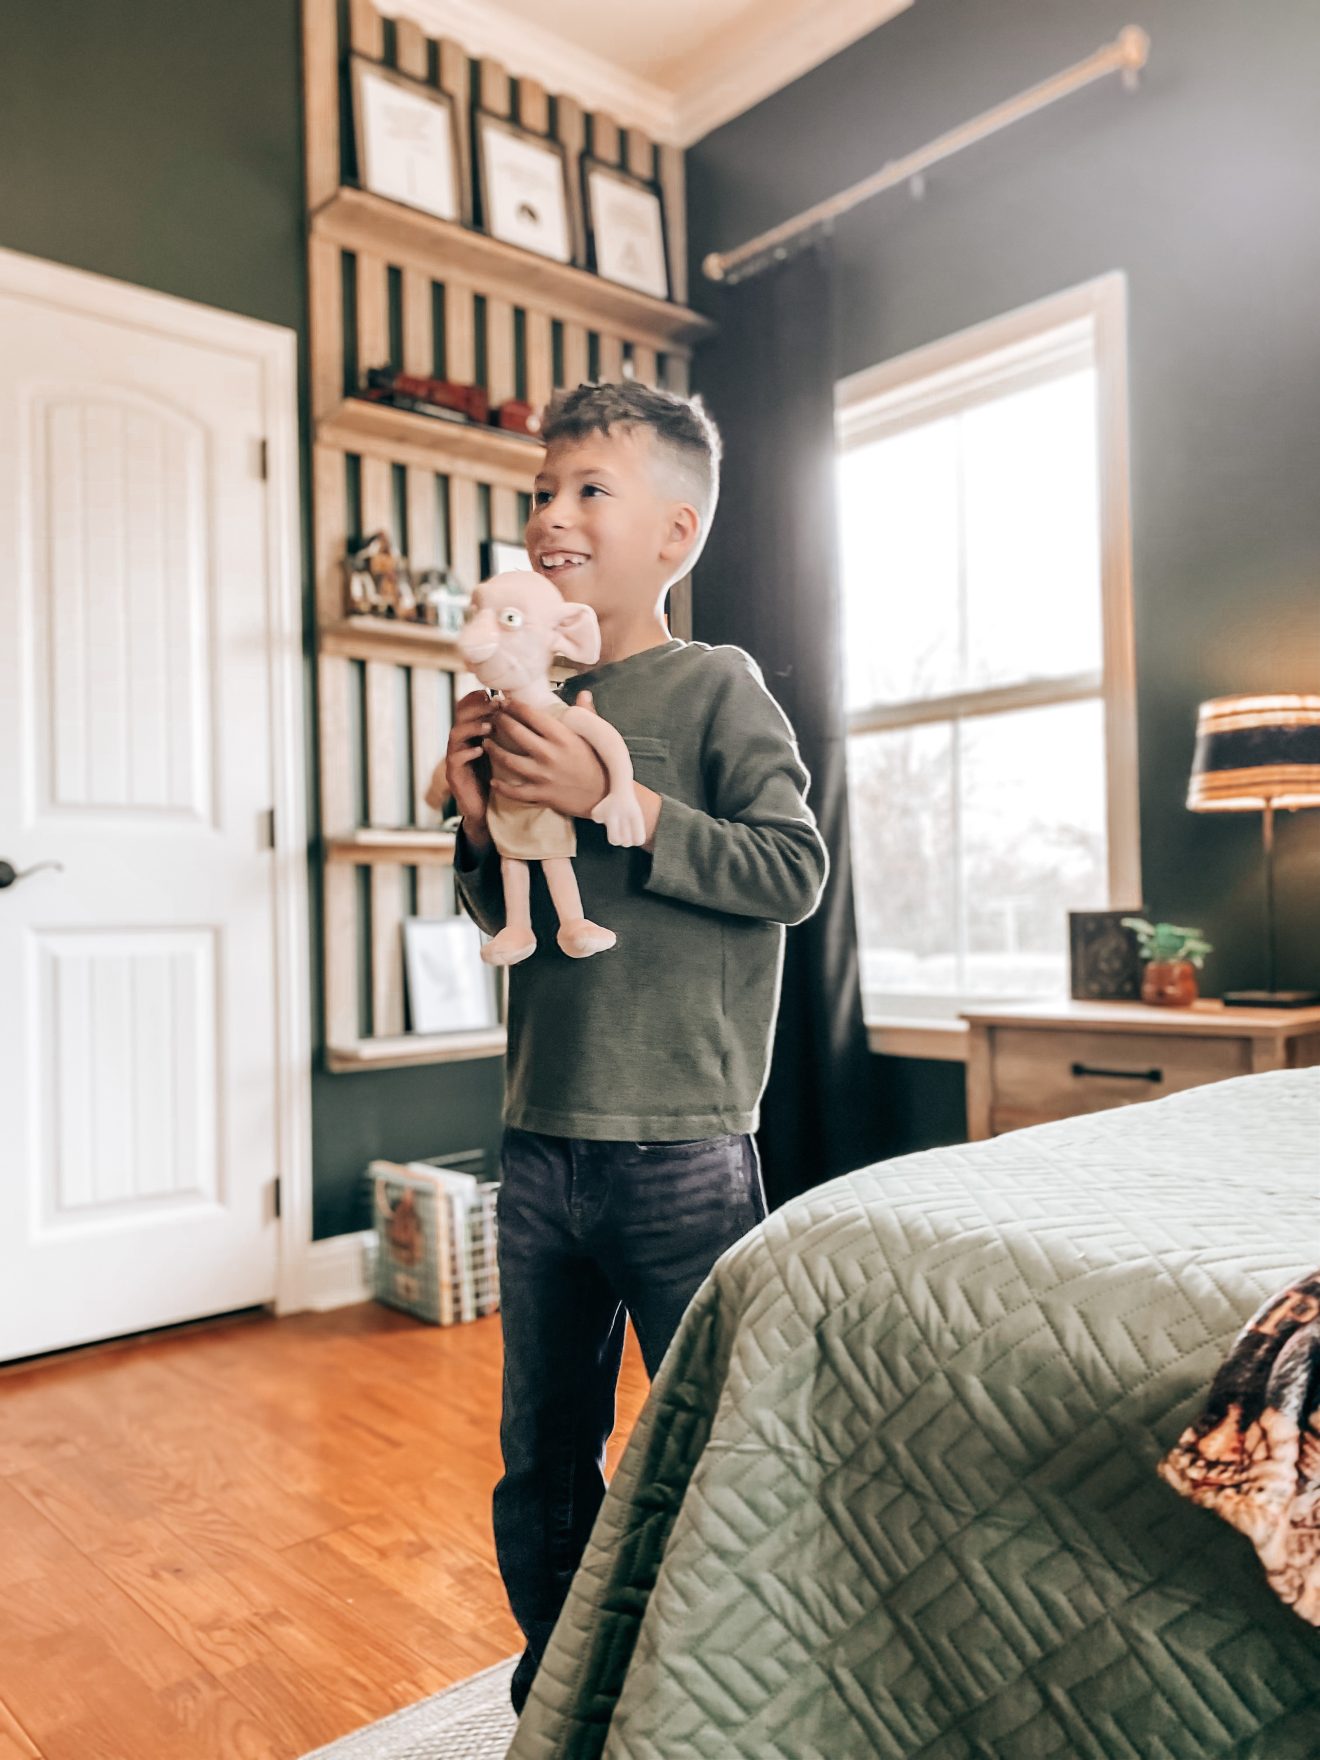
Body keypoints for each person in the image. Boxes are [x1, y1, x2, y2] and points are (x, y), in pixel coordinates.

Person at [444, 380, 828, 1713]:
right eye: (542, 491)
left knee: (715, 1444)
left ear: (675, 532)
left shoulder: (718, 685)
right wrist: (480, 820)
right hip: (539, 1141)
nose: (552, 513)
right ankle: (560, 1695)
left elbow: (792, 871)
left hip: (682, 1149)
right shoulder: (525, 696)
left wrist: (620, 797)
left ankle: (730, 1691)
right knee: (541, 1453)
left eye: (588, 489)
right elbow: (503, 913)